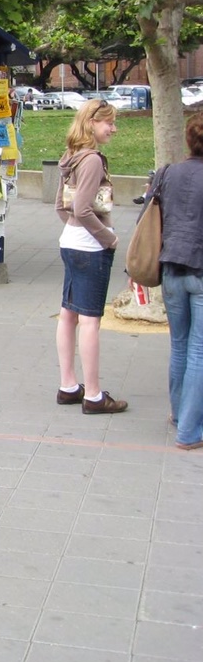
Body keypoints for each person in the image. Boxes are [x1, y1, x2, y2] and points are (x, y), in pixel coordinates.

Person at [54, 98, 127, 414]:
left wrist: (74, 228)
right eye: (108, 122)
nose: (113, 128)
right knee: (90, 320)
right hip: (89, 247)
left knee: (68, 314)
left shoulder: (70, 156)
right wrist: (108, 238)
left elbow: (63, 206)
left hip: (70, 241)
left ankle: (68, 385)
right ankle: (94, 394)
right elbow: (83, 208)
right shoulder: (93, 160)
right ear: (91, 123)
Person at [154, 111, 203, 449]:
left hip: (170, 267)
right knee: (199, 350)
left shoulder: (168, 172)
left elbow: (150, 220)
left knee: (180, 345)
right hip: (200, 270)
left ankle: (178, 413)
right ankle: (189, 429)